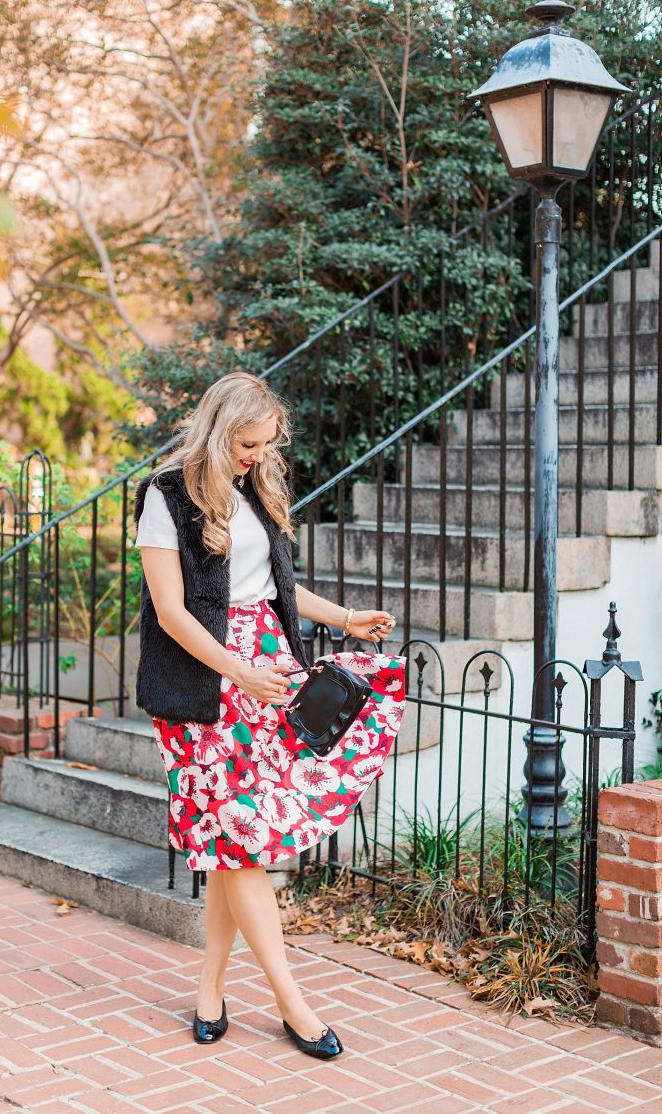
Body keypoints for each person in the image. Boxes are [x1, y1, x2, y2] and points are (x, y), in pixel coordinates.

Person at [133, 371, 405, 1060]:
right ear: (219, 430)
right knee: (241, 840)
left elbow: (277, 585)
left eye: (263, 444)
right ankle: (292, 1001)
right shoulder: (166, 496)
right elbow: (170, 612)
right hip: (208, 683)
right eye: (246, 443)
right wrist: (236, 671)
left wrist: (347, 617)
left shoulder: (255, 488)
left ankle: (210, 986)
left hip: (269, 675)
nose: (256, 454)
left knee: (234, 843)